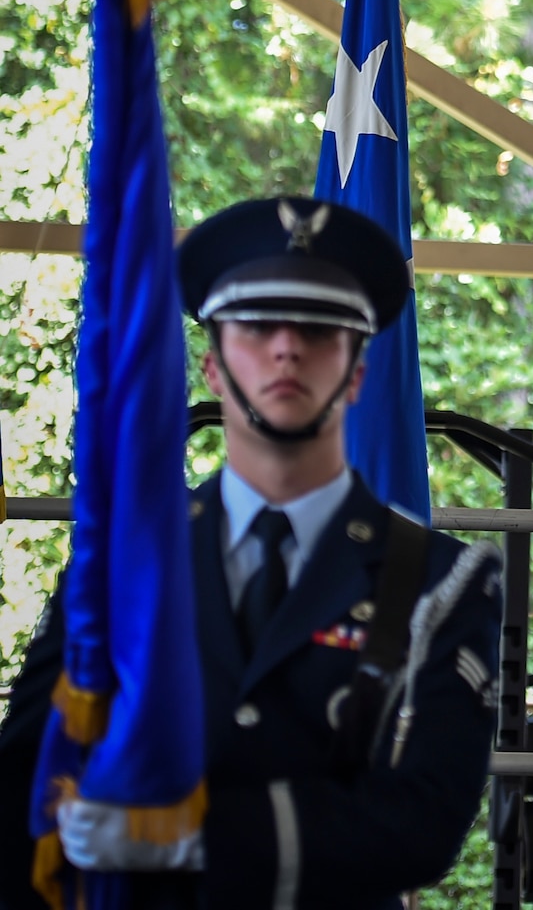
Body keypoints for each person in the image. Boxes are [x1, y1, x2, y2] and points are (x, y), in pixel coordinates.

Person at [0, 197, 501, 909]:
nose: (287, 347)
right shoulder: (124, 561)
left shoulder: (439, 579)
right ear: (210, 367)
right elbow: (23, 775)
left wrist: (192, 834)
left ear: (357, 372)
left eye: (320, 330)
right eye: (259, 325)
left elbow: (422, 821)